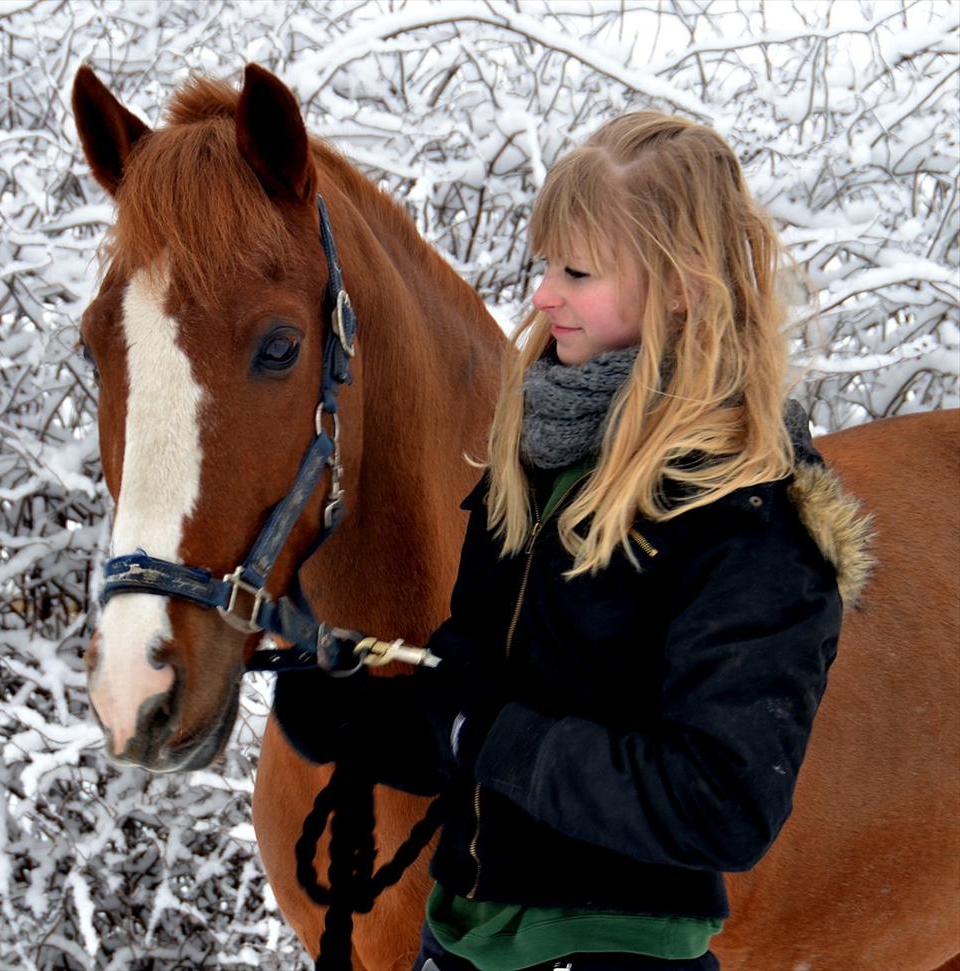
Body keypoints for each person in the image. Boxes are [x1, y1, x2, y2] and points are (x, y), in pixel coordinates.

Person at [274, 112, 867, 971]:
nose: (544, 294)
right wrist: (352, 715)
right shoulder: (543, 458)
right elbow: (478, 710)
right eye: (548, 263)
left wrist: (490, 734)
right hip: (464, 943)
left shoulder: (748, 515)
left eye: (577, 271)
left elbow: (722, 801)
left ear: (680, 285)